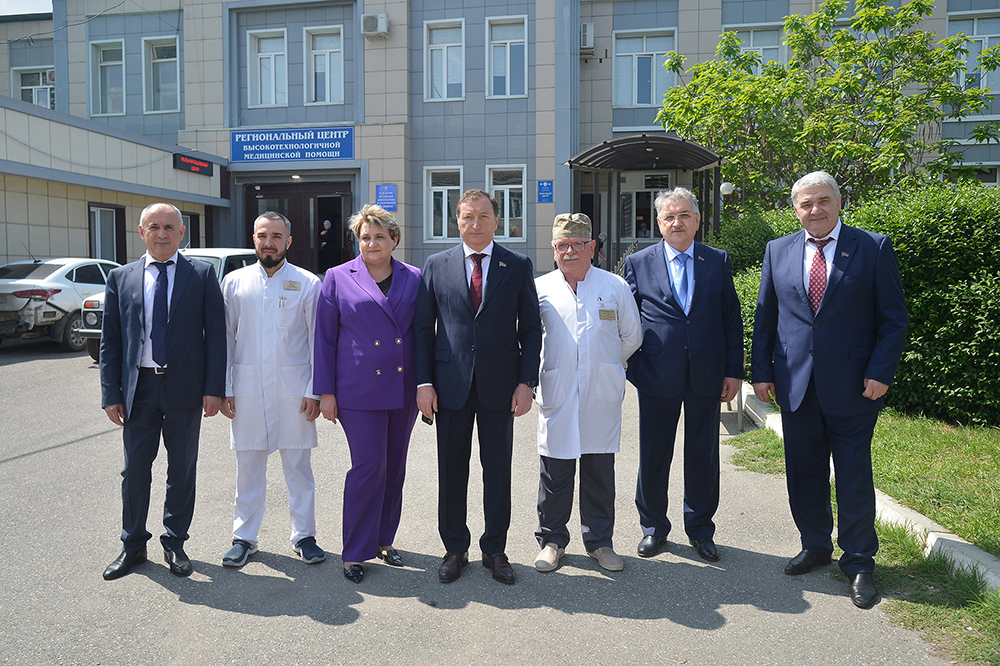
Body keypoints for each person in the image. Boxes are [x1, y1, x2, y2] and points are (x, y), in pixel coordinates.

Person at [751, 171, 908, 609]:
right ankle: (816, 545)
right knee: (804, 473)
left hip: (856, 387)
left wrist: (881, 372)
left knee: (853, 476)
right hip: (795, 384)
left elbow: (894, 319)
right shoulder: (777, 250)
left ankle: (858, 562)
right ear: (795, 209)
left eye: (823, 200)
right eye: (806, 203)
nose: (815, 209)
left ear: (839, 202)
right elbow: (766, 318)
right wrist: (761, 373)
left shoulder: (873, 247)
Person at [414, 189, 542, 585]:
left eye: (483, 216)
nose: (475, 224)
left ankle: (495, 549)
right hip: (449, 386)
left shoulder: (516, 265)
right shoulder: (436, 264)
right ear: (457, 221)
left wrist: (526, 382)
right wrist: (424, 383)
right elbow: (423, 330)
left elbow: (531, 329)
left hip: (500, 387)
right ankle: (455, 548)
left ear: (496, 221)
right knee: (451, 471)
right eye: (468, 216)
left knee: (497, 472)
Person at [100, 202, 226, 580]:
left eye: (169, 227)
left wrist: (214, 388)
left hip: (185, 389)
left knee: (181, 469)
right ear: (141, 232)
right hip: (139, 389)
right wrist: (110, 393)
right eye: (154, 226)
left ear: (182, 233)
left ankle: (175, 542)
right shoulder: (121, 277)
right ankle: (133, 545)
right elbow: (111, 341)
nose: (162, 234)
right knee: (134, 470)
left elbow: (216, 337)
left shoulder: (201, 274)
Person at [625, 187, 743, 563]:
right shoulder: (638, 262)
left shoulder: (717, 260)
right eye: (669, 217)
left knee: (702, 455)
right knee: (654, 454)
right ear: (659, 222)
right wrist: (635, 368)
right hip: (656, 374)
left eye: (684, 215)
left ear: (697, 220)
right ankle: (653, 528)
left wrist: (733, 371)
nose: (677, 222)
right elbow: (627, 320)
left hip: (706, 374)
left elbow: (731, 318)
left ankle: (701, 529)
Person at [314, 204, 422, 584]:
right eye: (364, 237)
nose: (371, 243)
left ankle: (383, 539)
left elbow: (422, 335)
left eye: (379, 236)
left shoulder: (414, 277)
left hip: (403, 388)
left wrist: (426, 385)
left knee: (394, 467)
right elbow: (324, 339)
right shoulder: (337, 277)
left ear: (394, 240)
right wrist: (325, 392)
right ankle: (355, 551)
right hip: (358, 390)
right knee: (369, 466)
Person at [533, 214, 641, 573]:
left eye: (578, 244)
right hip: (557, 391)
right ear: (553, 249)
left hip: (600, 393)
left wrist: (603, 364)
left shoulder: (614, 286)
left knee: (599, 473)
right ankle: (552, 541)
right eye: (562, 245)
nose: (570, 251)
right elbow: (528, 339)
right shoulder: (540, 288)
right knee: (555, 473)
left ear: (592, 247)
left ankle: (600, 542)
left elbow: (631, 336)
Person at [219, 211, 325, 569]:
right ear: (254, 239)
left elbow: (318, 341)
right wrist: (225, 386)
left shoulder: (307, 283)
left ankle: (304, 536)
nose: (269, 243)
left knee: (298, 468)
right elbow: (225, 338)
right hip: (247, 388)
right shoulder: (234, 283)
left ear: (288, 241)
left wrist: (314, 390)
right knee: (248, 468)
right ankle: (244, 538)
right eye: (263, 235)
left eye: (277, 236)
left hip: (294, 390)